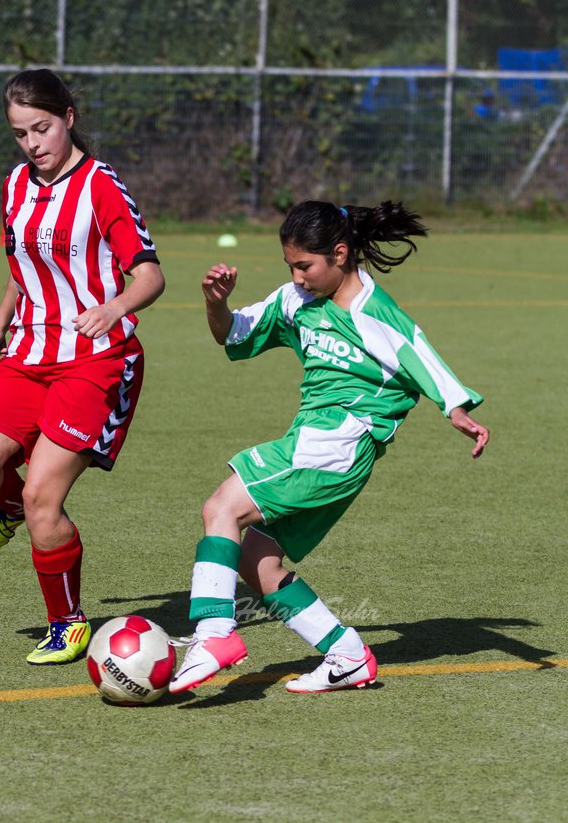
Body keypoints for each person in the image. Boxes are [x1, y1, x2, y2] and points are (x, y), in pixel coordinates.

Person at [170, 200, 490, 694]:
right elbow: (232, 336)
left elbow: (419, 353)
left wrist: (456, 409)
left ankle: (213, 634)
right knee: (258, 560)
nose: (297, 277)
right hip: (321, 446)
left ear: (340, 254)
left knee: (221, 508)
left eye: (305, 266)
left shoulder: (375, 313)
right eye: (290, 266)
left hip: (337, 444)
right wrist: (216, 301)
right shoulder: (296, 300)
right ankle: (346, 655)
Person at [0, 69, 166, 666]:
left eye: (41, 128)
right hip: (27, 355)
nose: (33, 143)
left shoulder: (103, 188)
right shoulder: (17, 184)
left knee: (46, 495)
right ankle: (10, 507)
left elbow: (150, 275)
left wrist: (114, 306)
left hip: (94, 361)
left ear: (68, 116)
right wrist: (1, 320)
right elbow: (24, 267)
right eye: (20, 133)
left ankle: (67, 623)